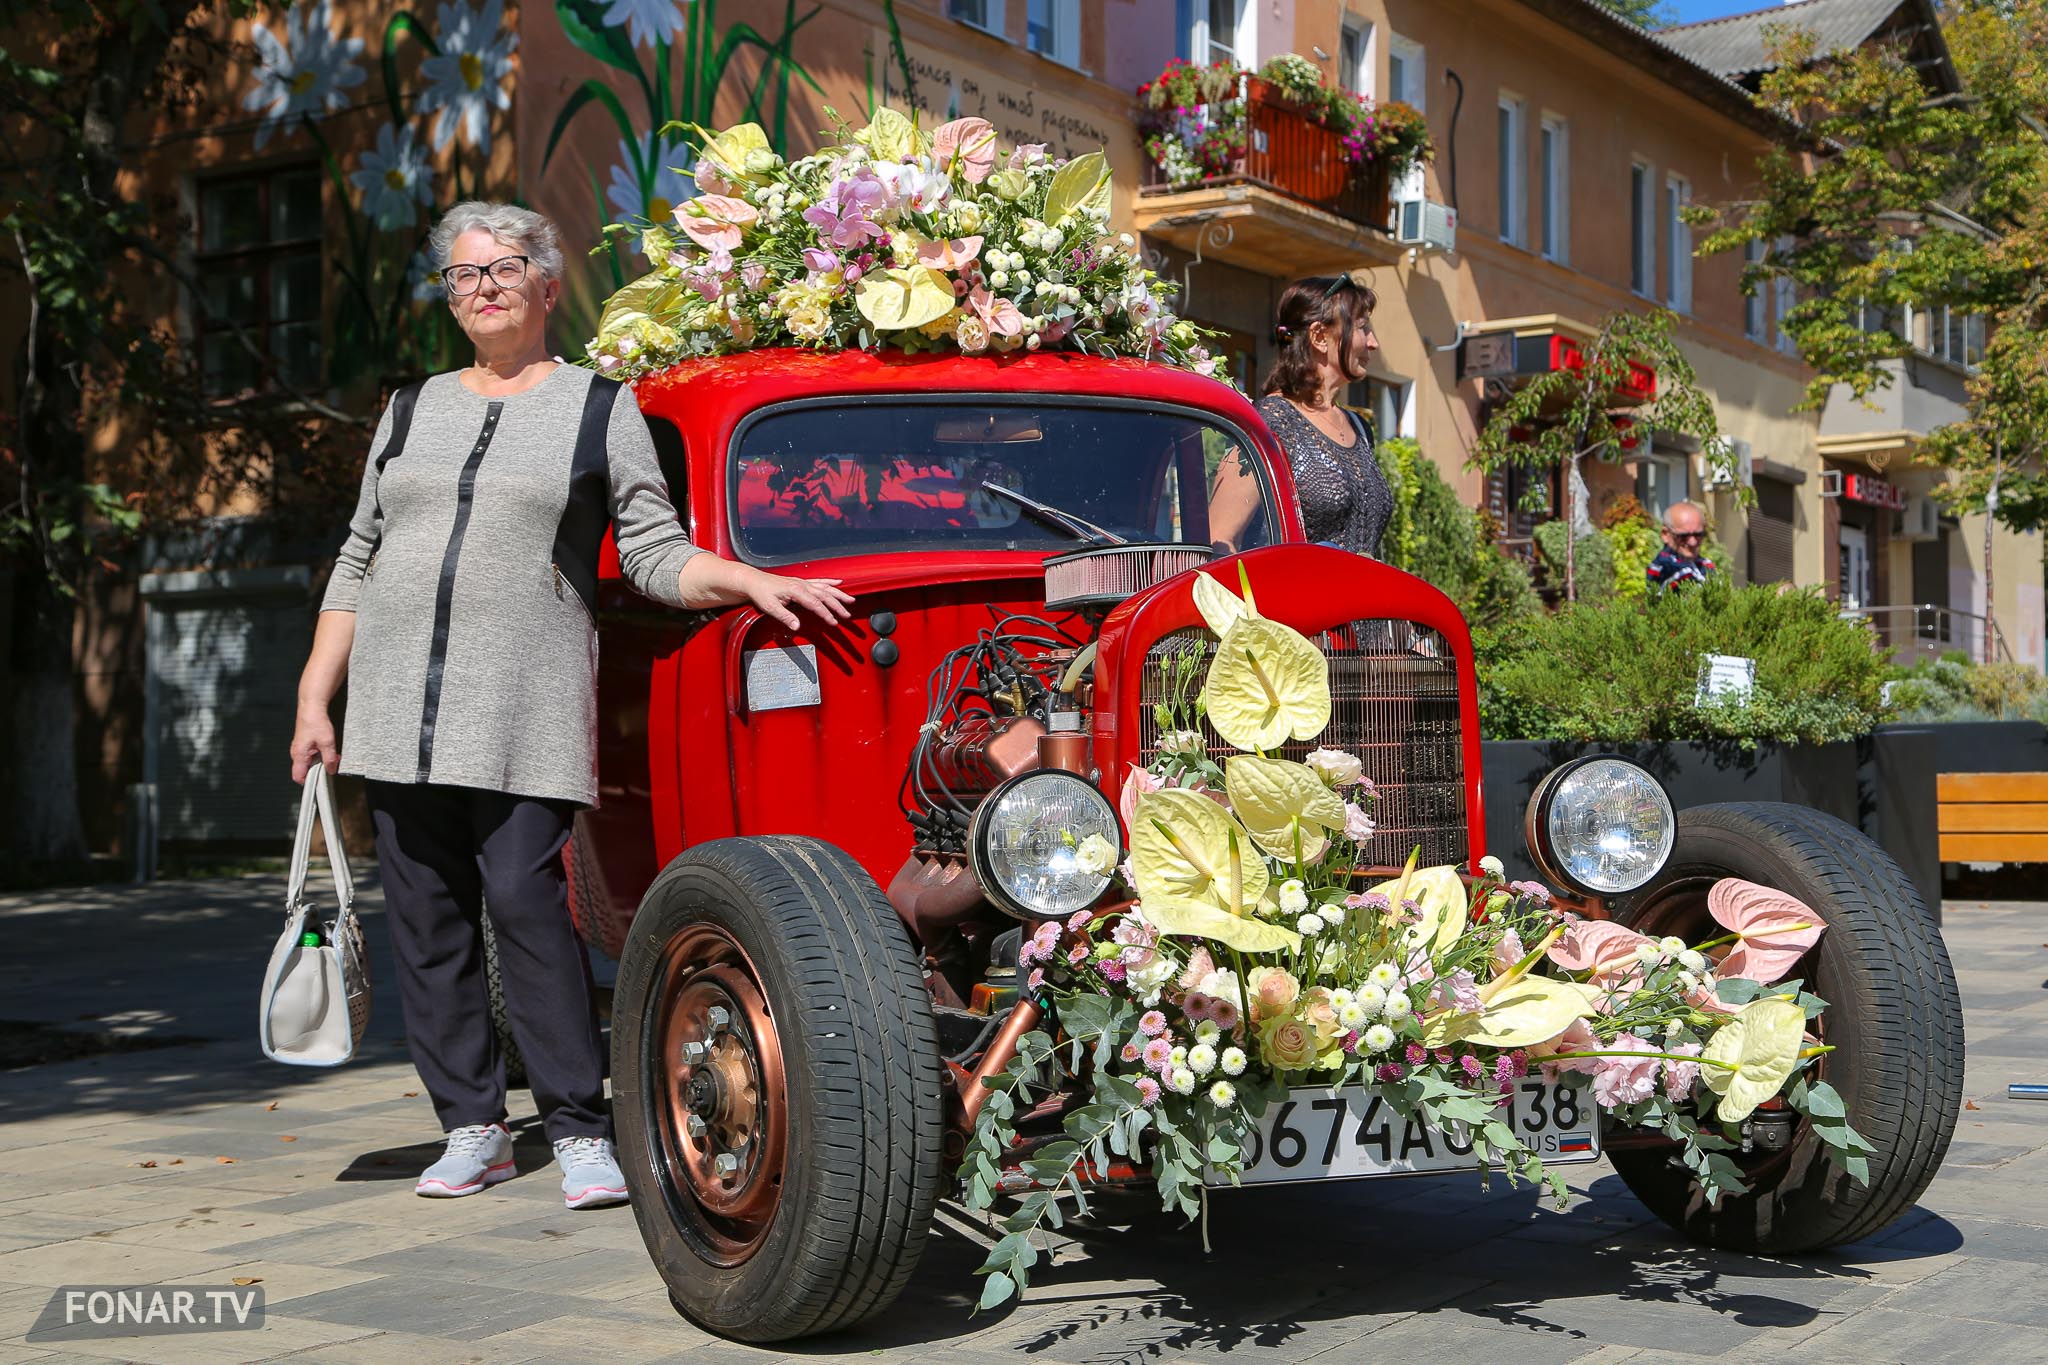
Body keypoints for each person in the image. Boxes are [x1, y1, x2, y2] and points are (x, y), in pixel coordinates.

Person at [288, 202, 851, 1210]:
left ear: (548, 286)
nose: (485, 287)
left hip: (522, 704)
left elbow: (650, 549)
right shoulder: (411, 409)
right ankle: (471, 1127)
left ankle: (577, 1129)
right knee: (426, 919)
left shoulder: (600, 408)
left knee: (523, 905)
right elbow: (358, 555)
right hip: (393, 705)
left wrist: (750, 582)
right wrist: (313, 695)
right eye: (464, 275)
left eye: (505, 268)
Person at [1211, 273, 1393, 557]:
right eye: (1362, 328)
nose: (1372, 343)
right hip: (1288, 599)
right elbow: (1220, 538)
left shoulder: (1360, 428)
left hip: (1364, 601)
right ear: (1320, 336)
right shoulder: (1270, 422)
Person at [1646, 499, 1717, 592]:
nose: (1693, 542)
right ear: (1665, 534)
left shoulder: (1704, 564)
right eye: (1683, 536)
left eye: (1698, 534)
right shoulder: (1665, 567)